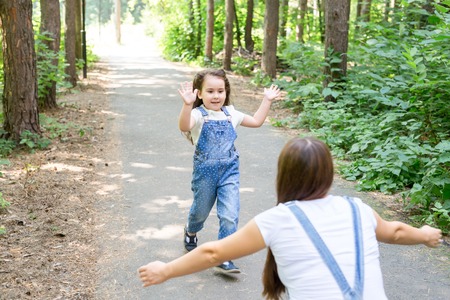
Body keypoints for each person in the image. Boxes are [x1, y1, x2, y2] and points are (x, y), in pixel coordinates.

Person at [138, 137, 443, 299]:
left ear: (283, 175)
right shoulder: (357, 208)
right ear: (329, 174)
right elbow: (397, 232)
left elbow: (213, 252)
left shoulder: (278, 219)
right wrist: (427, 235)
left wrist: (165, 270)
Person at [177, 68, 281, 273]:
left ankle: (224, 256)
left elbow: (257, 122)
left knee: (229, 214)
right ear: (199, 93)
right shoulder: (198, 115)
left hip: (228, 172)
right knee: (200, 211)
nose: (216, 96)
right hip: (204, 173)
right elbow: (184, 125)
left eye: (220, 91)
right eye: (210, 91)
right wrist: (187, 105)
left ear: (226, 92)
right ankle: (191, 231)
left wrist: (267, 100)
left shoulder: (231, 113)